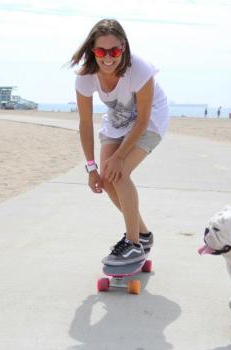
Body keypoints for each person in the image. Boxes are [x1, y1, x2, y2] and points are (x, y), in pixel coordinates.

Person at [69, 19, 170, 266]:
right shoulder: (85, 78)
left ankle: (133, 244)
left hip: (150, 120)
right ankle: (143, 235)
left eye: (114, 51)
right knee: (106, 178)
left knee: (120, 173)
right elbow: (84, 124)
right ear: (92, 50)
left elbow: (143, 119)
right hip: (118, 120)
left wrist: (119, 156)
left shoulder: (140, 69)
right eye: (101, 51)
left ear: (123, 47)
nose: (108, 58)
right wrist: (91, 168)